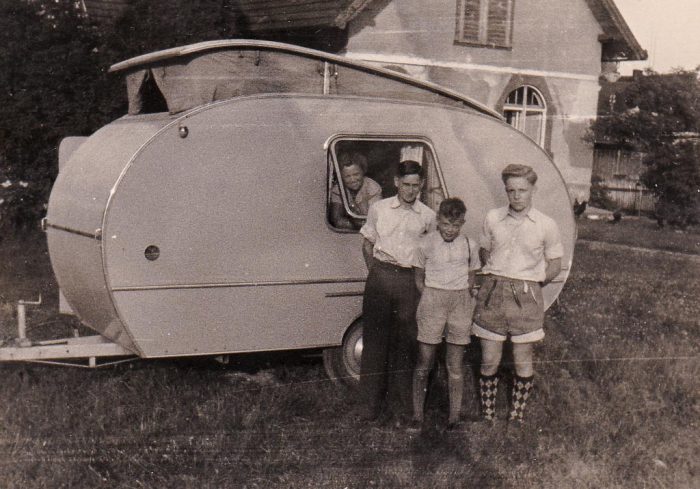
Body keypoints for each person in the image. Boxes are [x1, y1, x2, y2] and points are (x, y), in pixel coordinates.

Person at [473, 164, 563, 423]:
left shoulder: (546, 224)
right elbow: (483, 249)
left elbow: (555, 263)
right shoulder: (493, 217)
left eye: (522, 190)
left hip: (526, 295)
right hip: (493, 293)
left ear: (532, 189)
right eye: (511, 190)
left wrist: (535, 284)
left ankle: (517, 416)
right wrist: (493, 269)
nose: (516, 196)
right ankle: (488, 415)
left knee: (523, 359)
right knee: (489, 359)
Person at [359, 160, 436, 424]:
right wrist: (376, 273)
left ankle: (402, 409)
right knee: (375, 344)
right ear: (396, 182)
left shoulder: (427, 216)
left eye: (416, 185)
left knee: (405, 345)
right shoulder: (379, 209)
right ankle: (369, 409)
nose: (411, 190)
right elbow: (367, 245)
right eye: (406, 184)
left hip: (408, 280)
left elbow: (429, 255)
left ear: (422, 185)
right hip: (380, 276)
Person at [411, 198, 479, 430]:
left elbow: (472, 276)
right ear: (438, 220)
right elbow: (418, 277)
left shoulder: (470, 244)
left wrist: (464, 296)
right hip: (433, 299)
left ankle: (454, 418)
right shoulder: (425, 243)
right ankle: (418, 415)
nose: (450, 230)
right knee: (424, 361)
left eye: (456, 225)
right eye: (446, 224)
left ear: (462, 223)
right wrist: (430, 295)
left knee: (455, 365)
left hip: (460, 301)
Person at [330, 152, 382, 230]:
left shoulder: (373, 188)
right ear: (341, 177)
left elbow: (374, 221)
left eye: (356, 174)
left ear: (363, 172)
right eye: (347, 176)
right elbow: (337, 219)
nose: (353, 180)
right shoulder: (338, 189)